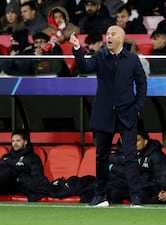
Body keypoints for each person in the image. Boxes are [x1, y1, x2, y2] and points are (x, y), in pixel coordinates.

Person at [70, 25, 147, 207]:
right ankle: (100, 195)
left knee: (130, 156)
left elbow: (142, 84)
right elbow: (84, 67)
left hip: (127, 114)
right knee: (101, 157)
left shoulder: (132, 59)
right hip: (104, 114)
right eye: (107, 34)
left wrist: (137, 107)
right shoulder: (99, 56)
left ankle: (135, 197)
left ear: (121, 38)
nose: (108, 37)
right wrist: (76, 49)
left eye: (112, 34)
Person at [107, 119, 166, 204]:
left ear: (145, 141)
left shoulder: (156, 155)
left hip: (149, 188)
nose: (133, 144)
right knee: (115, 192)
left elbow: (161, 179)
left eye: (137, 141)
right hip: (131, 186)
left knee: (142, 194)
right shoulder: (123, 153)